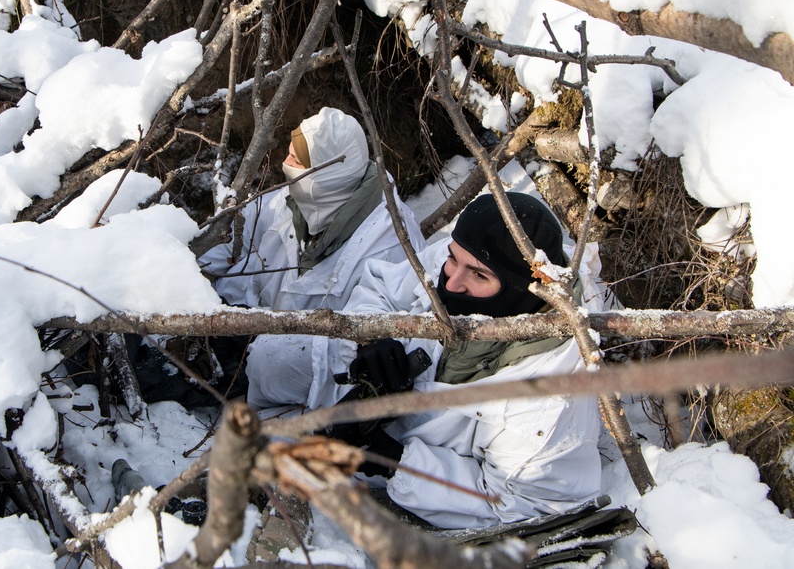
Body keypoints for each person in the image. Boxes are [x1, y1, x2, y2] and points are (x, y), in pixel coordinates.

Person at [302, 192, 605, 529]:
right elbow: (382, 287)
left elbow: (520, 504)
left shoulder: (551, 399)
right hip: (352, 414)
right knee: (268, 361)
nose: (452, 282)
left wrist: (392, 460)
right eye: (452, 259)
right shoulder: (464, 259)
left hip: (421, 497)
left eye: (479, 276)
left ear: (523, 292)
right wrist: (373, 338)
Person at [137, 107, 425, 408]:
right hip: (231, 321)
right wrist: (183, 276)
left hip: (280, 362)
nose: (284, 165)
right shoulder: (294, 200)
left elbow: (361, 343)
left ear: (330, 173)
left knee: (158, 377)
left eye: (296, 160)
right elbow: (230, 238)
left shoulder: (391, 246)